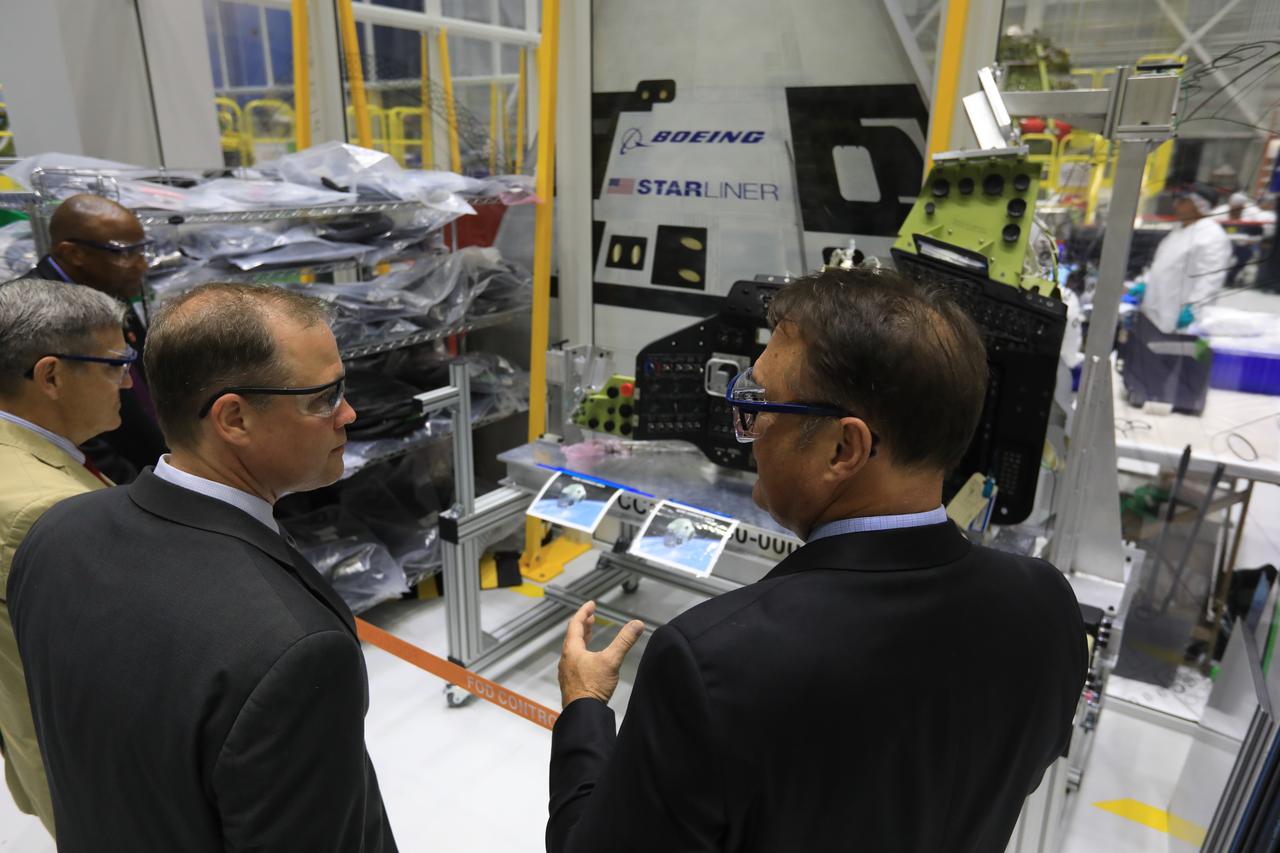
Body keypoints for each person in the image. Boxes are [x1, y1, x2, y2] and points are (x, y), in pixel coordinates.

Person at [548, 268, 1087, 853]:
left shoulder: (710, 662)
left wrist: (583, 710)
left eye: (760, 404)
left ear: (843, 449)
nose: (748, 429)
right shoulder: (1047, 606)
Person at [8, 282, 398, 852]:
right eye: (323, 397)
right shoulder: (294, 649)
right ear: (234, 419)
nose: (349, 414)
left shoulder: (55, 535)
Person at [0, 279, 130, 836]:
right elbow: (119, 667)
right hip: (104, 775)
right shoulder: (44, 505)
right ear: (51, 375)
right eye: (113, 365)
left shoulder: (31, 464)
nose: (127, 380)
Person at [20, 193, 165, 482]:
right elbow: (67, 426)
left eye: (142, 251)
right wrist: (133, 489)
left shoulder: (106, 286)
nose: (142, 265)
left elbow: (142, 377)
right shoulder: (36, 313)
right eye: (125, 253)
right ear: (74, 253)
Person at [1141, 190, 1233, 333]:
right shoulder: (1177, 232)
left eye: (1183, 201)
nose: (1176, 205)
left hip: (1180, 318)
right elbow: (1161, 265)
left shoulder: (1212, 236)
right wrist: (1143, 284)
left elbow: (1210, 278)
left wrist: (1194, 309)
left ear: (1200, 206)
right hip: (1155, 311)